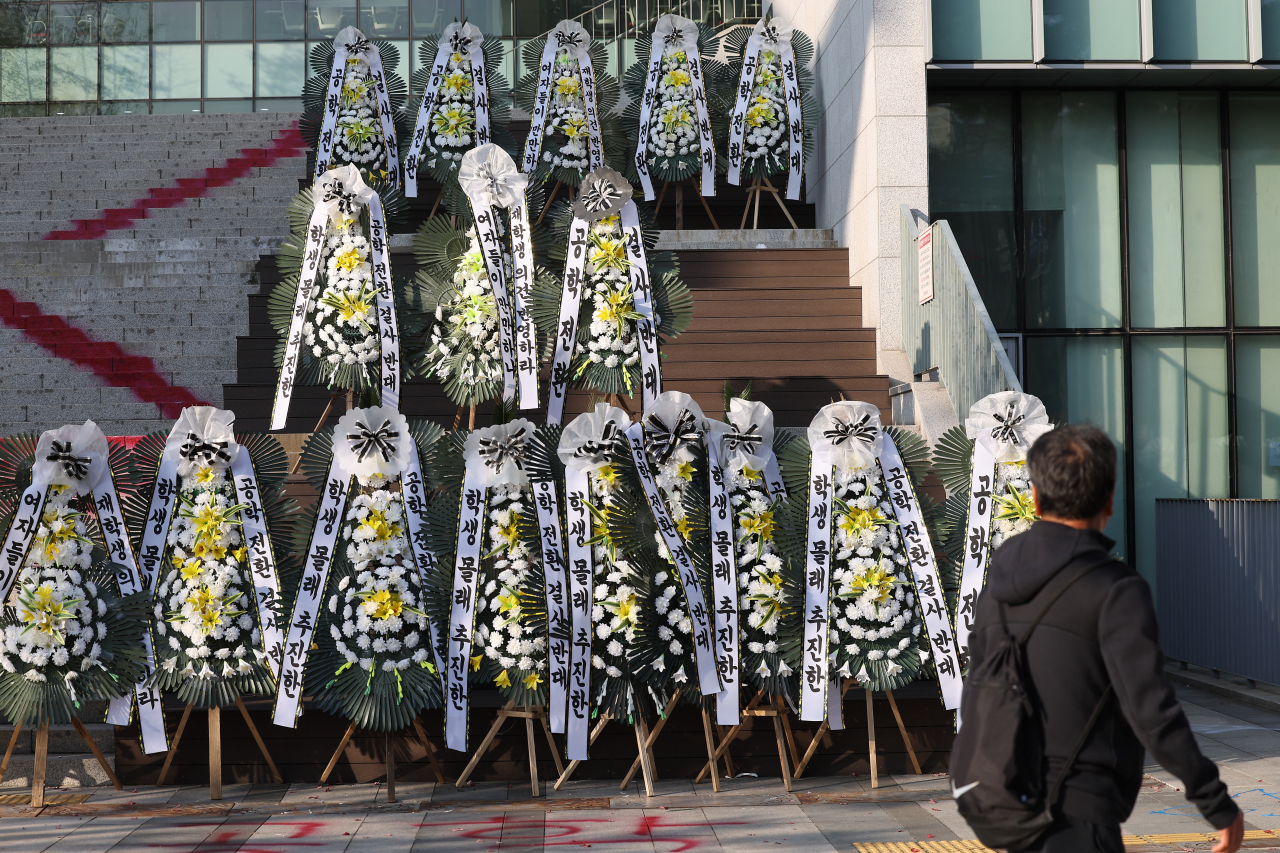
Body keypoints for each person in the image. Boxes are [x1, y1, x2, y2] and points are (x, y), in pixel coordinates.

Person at [964, 424, 1243, 853]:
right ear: (1109, 501)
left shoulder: (998, 583)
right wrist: (1216, 802)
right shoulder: (1116, 590)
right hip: (1080, 810)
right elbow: (1151, 710)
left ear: (1036, 499)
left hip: (1008, 800)